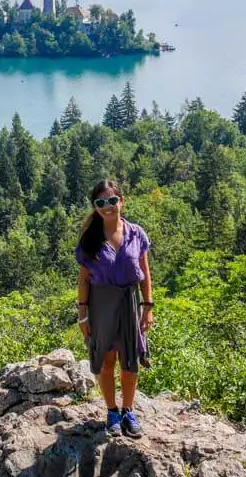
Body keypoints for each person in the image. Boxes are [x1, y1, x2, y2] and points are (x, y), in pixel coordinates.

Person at [74, 179, 154, 438]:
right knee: (106, 361)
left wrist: (148, 306)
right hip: (100, 304)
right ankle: (111, 412)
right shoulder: (90, 239)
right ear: (95, 208)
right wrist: (82, 314)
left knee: (130, 361)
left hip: (129, 302)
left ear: (122, 200)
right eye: (101, 203)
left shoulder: (136, 233)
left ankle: (128, 411)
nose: (107, 206)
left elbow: (145, 272)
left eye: (112, 200)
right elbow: (84, 279)